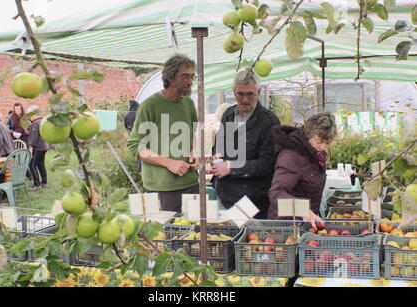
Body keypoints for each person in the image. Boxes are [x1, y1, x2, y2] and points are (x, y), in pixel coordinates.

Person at [127, 54, 199, 212]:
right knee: (169, 234)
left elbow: (190, 132)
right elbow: (135, 146)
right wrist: (169, 162)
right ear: (170, 77)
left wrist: (192, 152)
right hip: (164, 187)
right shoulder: (150, 105)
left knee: (195, 232)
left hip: (191, 182)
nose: (190, 81)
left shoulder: (188, 103)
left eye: (192, 76)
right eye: (185, 76)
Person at [210, 71, 280, 219]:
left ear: (259, 92)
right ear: (233, 92)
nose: (245, 99)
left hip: (251, 201)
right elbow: (220, 145)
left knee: (247, 239)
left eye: (250, 94)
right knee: (224, 237)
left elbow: (267, 163)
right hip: (223, 194)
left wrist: (231, 167)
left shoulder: (269, 122)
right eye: (240, 94)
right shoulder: (228, 114)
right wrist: (216, 156)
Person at [267, 112, 337, 228]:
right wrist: (302, 210)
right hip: (286, 225)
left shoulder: (314, 154)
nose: (323, 147)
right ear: (308, 134)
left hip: (303, 223)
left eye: (327, 143)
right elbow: (276, 193)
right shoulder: (291, 156)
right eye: (319, 142)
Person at [27, 105, 49, 191]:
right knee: (41, 164)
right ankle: (44, 182)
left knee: (32, 164)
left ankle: (36, 184)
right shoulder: (43, 120)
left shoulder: (35, 123)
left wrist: (31, 147)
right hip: (44, 145)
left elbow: (34, 138)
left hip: (38, 147)